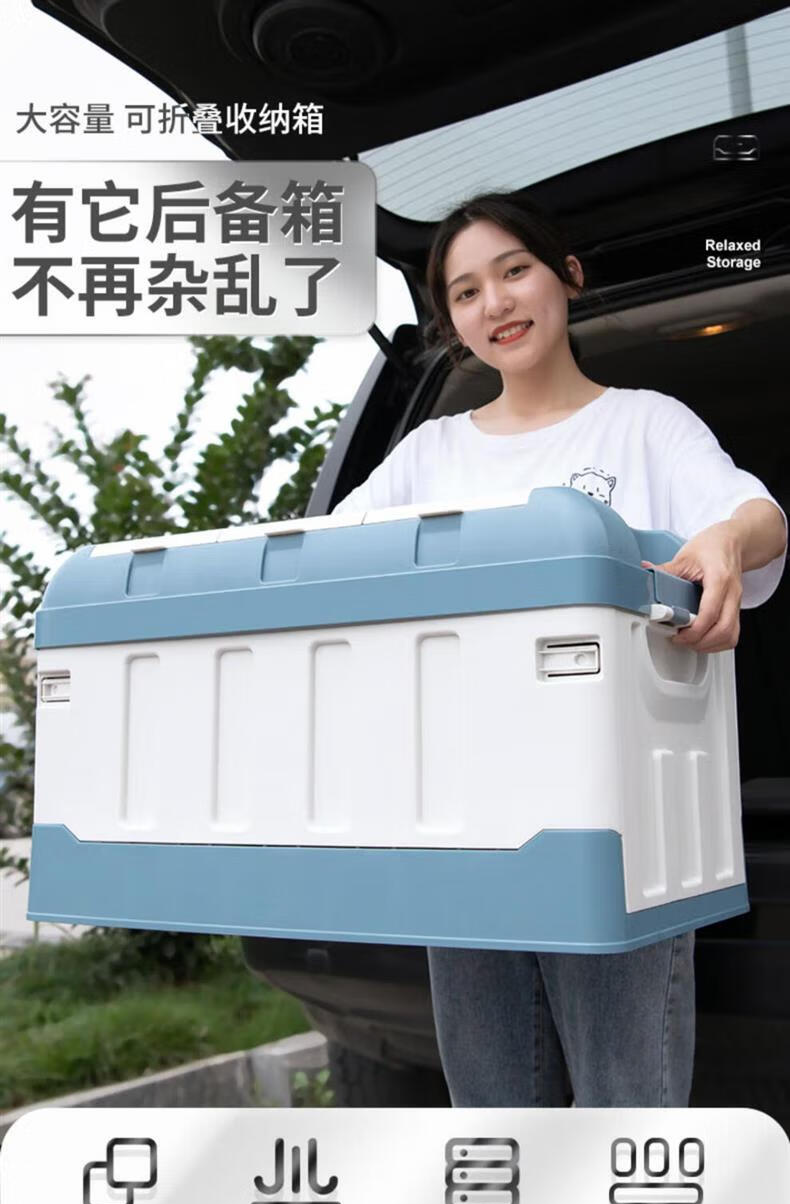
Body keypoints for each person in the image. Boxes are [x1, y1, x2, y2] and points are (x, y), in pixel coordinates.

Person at [331, 192, 787, 1107]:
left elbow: (758, 515)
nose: (495, 303)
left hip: (619, 829)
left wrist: (724, 540)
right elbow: (325, 561)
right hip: (464, 825)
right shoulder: (430, 453)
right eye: (466, 292)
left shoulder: (647, 424)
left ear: (567, 276)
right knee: (494, 1112)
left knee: (627, 1107)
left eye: (515, 271)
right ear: (451, 320)